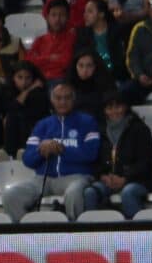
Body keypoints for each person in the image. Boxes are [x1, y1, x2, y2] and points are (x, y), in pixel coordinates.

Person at [7, 79, 98, 219]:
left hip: (76, 177)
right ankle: (27, 235)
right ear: (52, 100)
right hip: (43, 178)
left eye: (67, 98)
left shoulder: (87, 121)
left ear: (74, 100)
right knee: (11, 195)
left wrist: (60, 148)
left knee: (74, 193)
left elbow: (91, 153)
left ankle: (74, 234)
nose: (63, 102)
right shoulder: (42, 124)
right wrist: (41, 150)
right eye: (58, 98)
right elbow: (27, 160)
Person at [85, 91, 152, 217]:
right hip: (107, 181)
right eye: (109, 107)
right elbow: (94, 161)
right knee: (90, 192)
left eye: (118, 106)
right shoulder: (100, 131)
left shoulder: (139, 129)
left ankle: (137, 233)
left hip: (137, 180)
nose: (114, 111)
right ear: (104, 110)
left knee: (128, 193)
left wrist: (125, 178)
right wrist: (102, 176)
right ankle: (93, 233)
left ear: (125, 107)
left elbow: (146, 163)